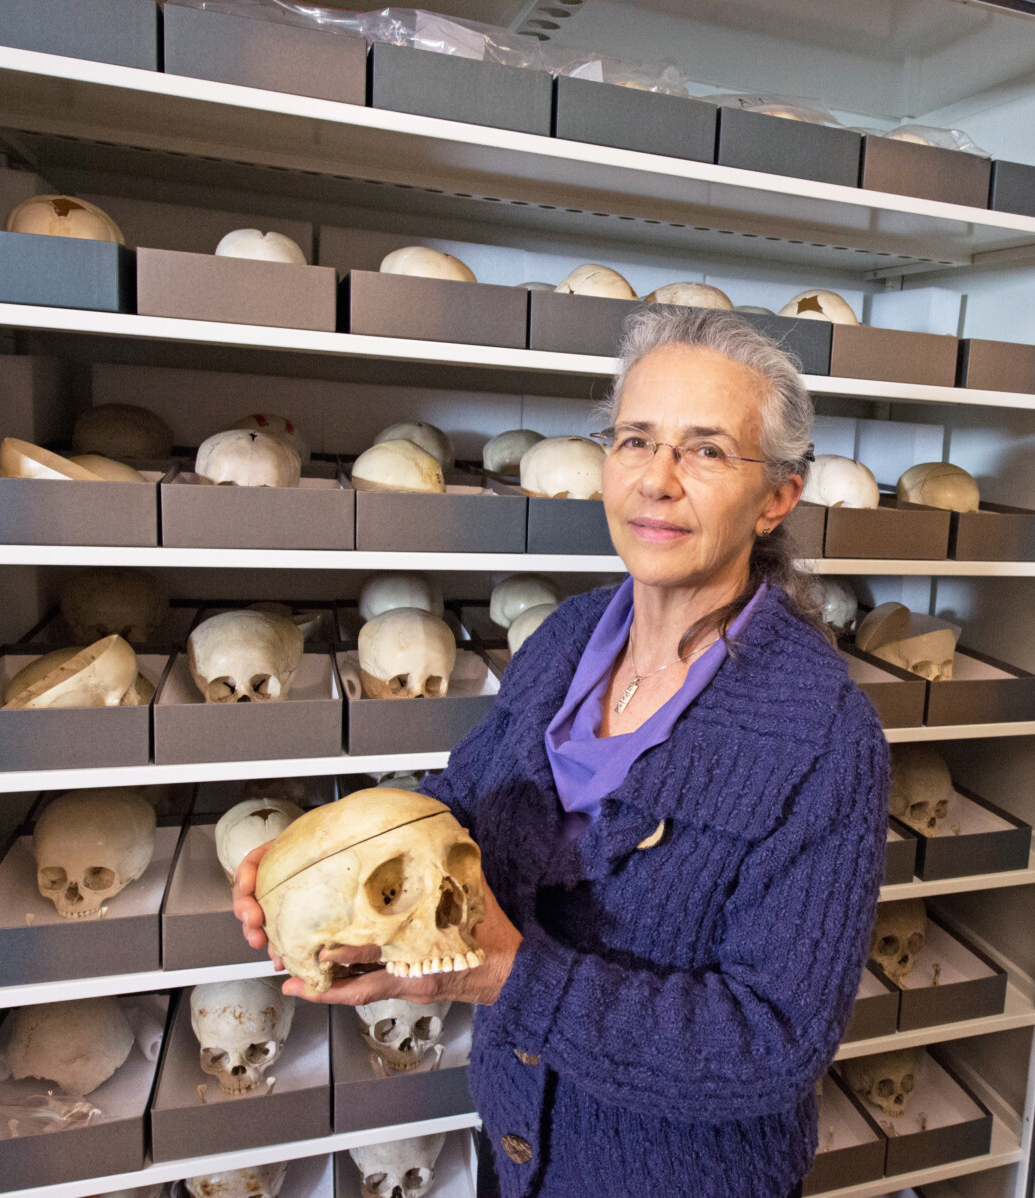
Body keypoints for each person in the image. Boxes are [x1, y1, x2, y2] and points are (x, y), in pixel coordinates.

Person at [233, 306, 889, 1198]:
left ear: (777, 497)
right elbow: (462, 801)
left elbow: (771, 1046)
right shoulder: (568, 638)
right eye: (633, 441)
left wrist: (512, 974)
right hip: (513, 1152)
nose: (657, 481)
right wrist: (333, 863)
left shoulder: (821, 734)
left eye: (704, 451)